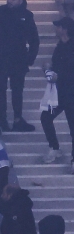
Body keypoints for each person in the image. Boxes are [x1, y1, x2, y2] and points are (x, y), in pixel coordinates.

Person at [0, 0, 39, 131]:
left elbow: (34, 39)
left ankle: (17, 119)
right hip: (0, 57)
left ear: (20, 0)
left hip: (18, 59)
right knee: (0, 89)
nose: (9, 1)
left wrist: (29, 58)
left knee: (17, 90)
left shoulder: (27, 15)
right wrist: (1, 43)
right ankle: (2, 118)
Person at [42, 16, 74, 168]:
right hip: (59, 93)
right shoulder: (59, 46)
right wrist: (48, 69)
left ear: (65, 29)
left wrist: (59, 76)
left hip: (71, 93)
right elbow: (56, 66)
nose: (56, 29)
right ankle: (55, 148)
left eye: (59, 26)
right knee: (45, 117)